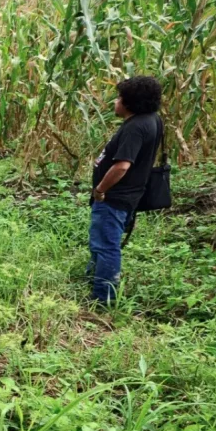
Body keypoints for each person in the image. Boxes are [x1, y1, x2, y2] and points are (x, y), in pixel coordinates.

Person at [88, 76, 163, 306]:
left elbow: (122, 166)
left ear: (130, 103)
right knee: (101, 240)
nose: (115, 102)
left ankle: (104, 298)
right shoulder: (152, 120)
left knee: (107, 246)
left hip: (115, 197)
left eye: (119, 97)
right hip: (128, 194)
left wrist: (100, 190)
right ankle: (94, 279)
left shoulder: (135, 128)